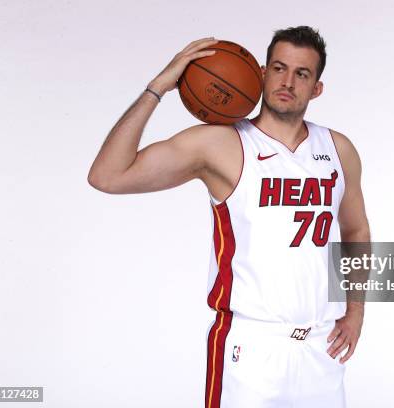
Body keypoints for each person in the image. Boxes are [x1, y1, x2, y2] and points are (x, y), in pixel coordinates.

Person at [88, 26, 370, 408]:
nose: (287, 81)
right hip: (251, 348)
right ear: (261, 71)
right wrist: (158, 87)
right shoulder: (220, 144)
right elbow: (107, 176)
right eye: (278, 68)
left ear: (316, 88)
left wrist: (355, 311)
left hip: (321, 348)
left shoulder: (338, 149)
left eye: (301, 74)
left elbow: (355, 229)